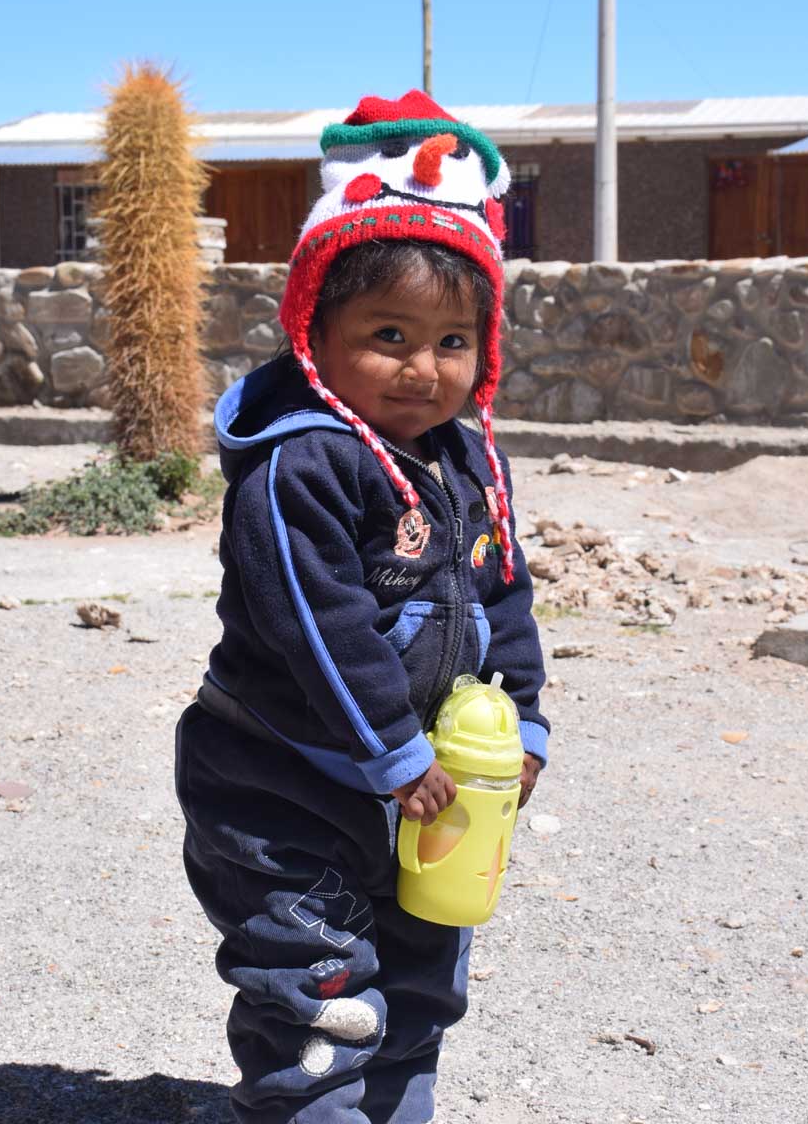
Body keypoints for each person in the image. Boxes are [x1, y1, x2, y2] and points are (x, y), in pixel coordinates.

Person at [175, 90, 550, 1124]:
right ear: (313, 330)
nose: (422, 369)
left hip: (427, 791)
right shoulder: (302, 465)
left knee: (425, 973)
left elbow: (502, 591)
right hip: (285, 785)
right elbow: (315, 622)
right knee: (318, 989)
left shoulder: (468, 460)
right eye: (388, 334)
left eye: (453, 341)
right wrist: (392, 749)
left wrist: (524, 717)